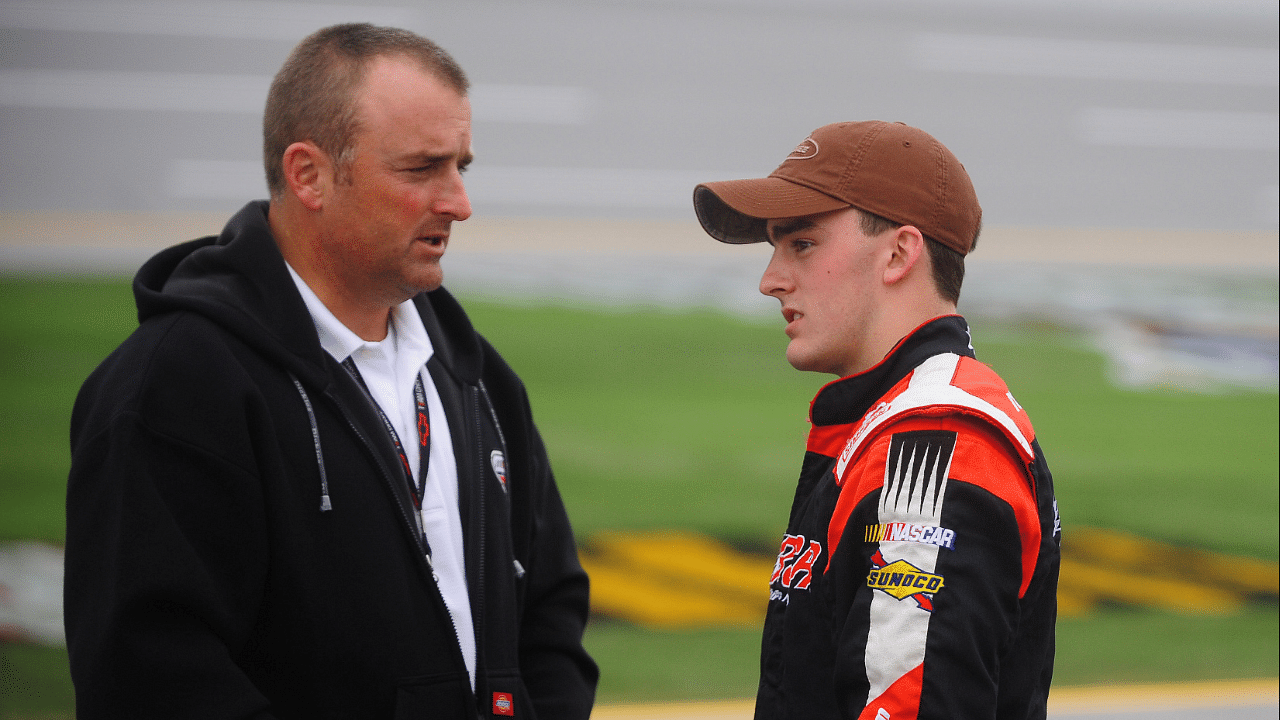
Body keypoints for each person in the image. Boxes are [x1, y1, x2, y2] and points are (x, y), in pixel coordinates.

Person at [65, 23, 597, 719]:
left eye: (461, 166)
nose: (458, 202)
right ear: (309, 175)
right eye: (421, 168)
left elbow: (549, 610)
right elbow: (150, 678)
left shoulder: (477, 380)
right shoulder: (175, 388)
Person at [692, 121, 1060, 719]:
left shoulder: (934, 444)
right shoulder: (888, 423)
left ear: (898, 253)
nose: (770, 280)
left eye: (802, 244)